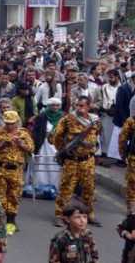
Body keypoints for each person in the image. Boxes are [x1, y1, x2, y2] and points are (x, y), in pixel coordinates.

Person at [50, 96, 102, 227]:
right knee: (66, 188)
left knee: (89, 189)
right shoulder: (68, 119)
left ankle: (88, 214)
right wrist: (63, 150)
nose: (79, 108)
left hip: (88, 160)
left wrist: (94, 150)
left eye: (82, 106)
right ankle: (60, 215)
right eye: (77, 105)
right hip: (72, 161)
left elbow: (97, 137)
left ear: (88, 107)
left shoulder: (95, 120)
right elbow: (57, 136)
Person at [0, 110, 34, 235]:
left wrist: (21, 144)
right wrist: (2, 145)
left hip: (16, 170)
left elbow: (31, 149)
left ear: (17, 122)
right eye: (7, 123)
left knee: (14, 196)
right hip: (1, 169)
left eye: (12, 123)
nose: (9, 126)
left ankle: (11, 222)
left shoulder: (23, 133)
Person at [119, 114, 135, 212]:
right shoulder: (131, 120)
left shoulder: (131, 120)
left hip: (133, 158)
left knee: (132, 186)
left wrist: (122, 154)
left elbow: (122, 138)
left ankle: (131, 211)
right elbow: (123, 138)